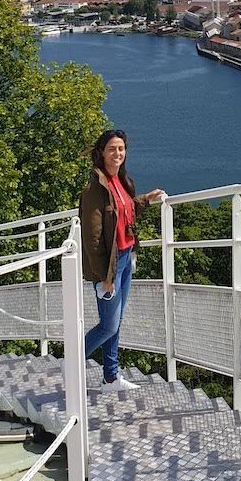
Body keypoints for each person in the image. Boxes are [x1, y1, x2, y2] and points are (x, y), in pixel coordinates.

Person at [79, 128, 165, 390]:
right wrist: (104, 277)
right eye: (112, 149)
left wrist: (146, 200)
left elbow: (123, 211)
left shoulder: (120, 181)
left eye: (121, 149)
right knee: (108, 325)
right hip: (111, 266)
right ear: (102, 154)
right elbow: (93, 240)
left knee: (116, 321)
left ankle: (111, 377)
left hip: (126, 258)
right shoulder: (96, 187)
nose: (118, 153)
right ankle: (73, 361)